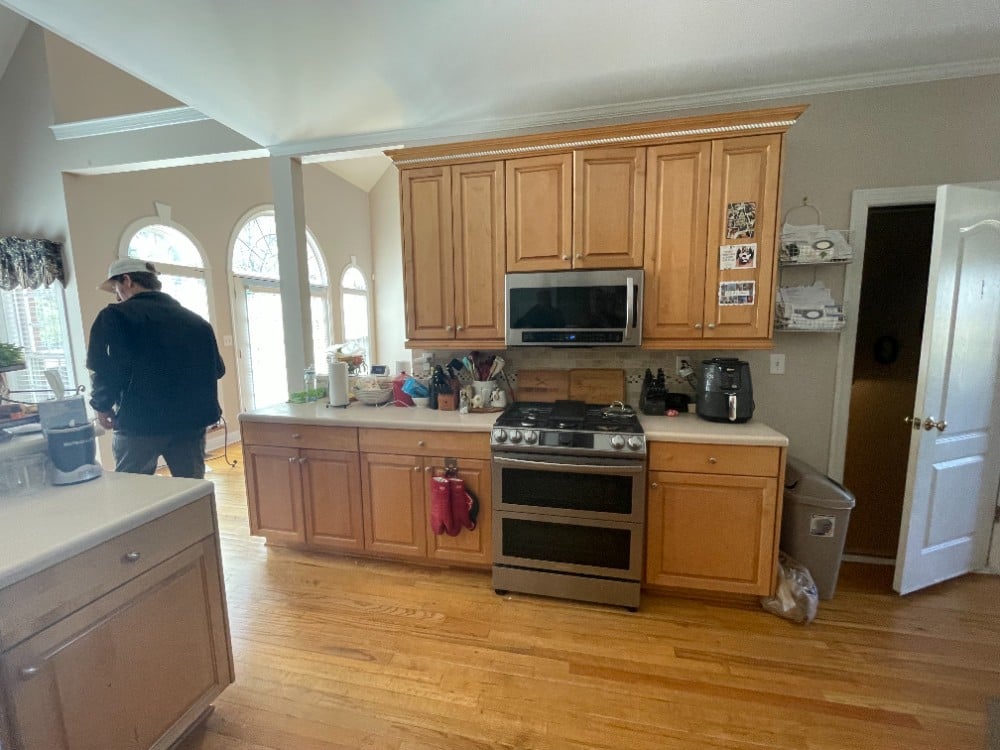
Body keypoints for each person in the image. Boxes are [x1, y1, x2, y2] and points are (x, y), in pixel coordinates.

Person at [86, 257, 225, 478]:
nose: (117, 295)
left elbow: (106, 369)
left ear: (127, 280)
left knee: (137, 494)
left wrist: (101, 406)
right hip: (190, 424)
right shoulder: (197, 322)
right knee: (191, 493)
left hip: (139, 422)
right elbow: (217, 370)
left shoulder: (115, 316)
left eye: (116, 288)